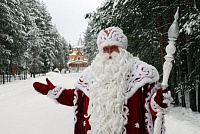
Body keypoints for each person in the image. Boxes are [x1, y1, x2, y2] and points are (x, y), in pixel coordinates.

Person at [33, 27, 173, 134]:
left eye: (114, 47)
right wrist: (53, 91)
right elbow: (76, 98)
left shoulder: (141, 75)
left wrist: (158, 102)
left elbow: (153, 106)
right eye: (105, 48)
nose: (109, 52)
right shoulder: (91, 74)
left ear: (122, 49)